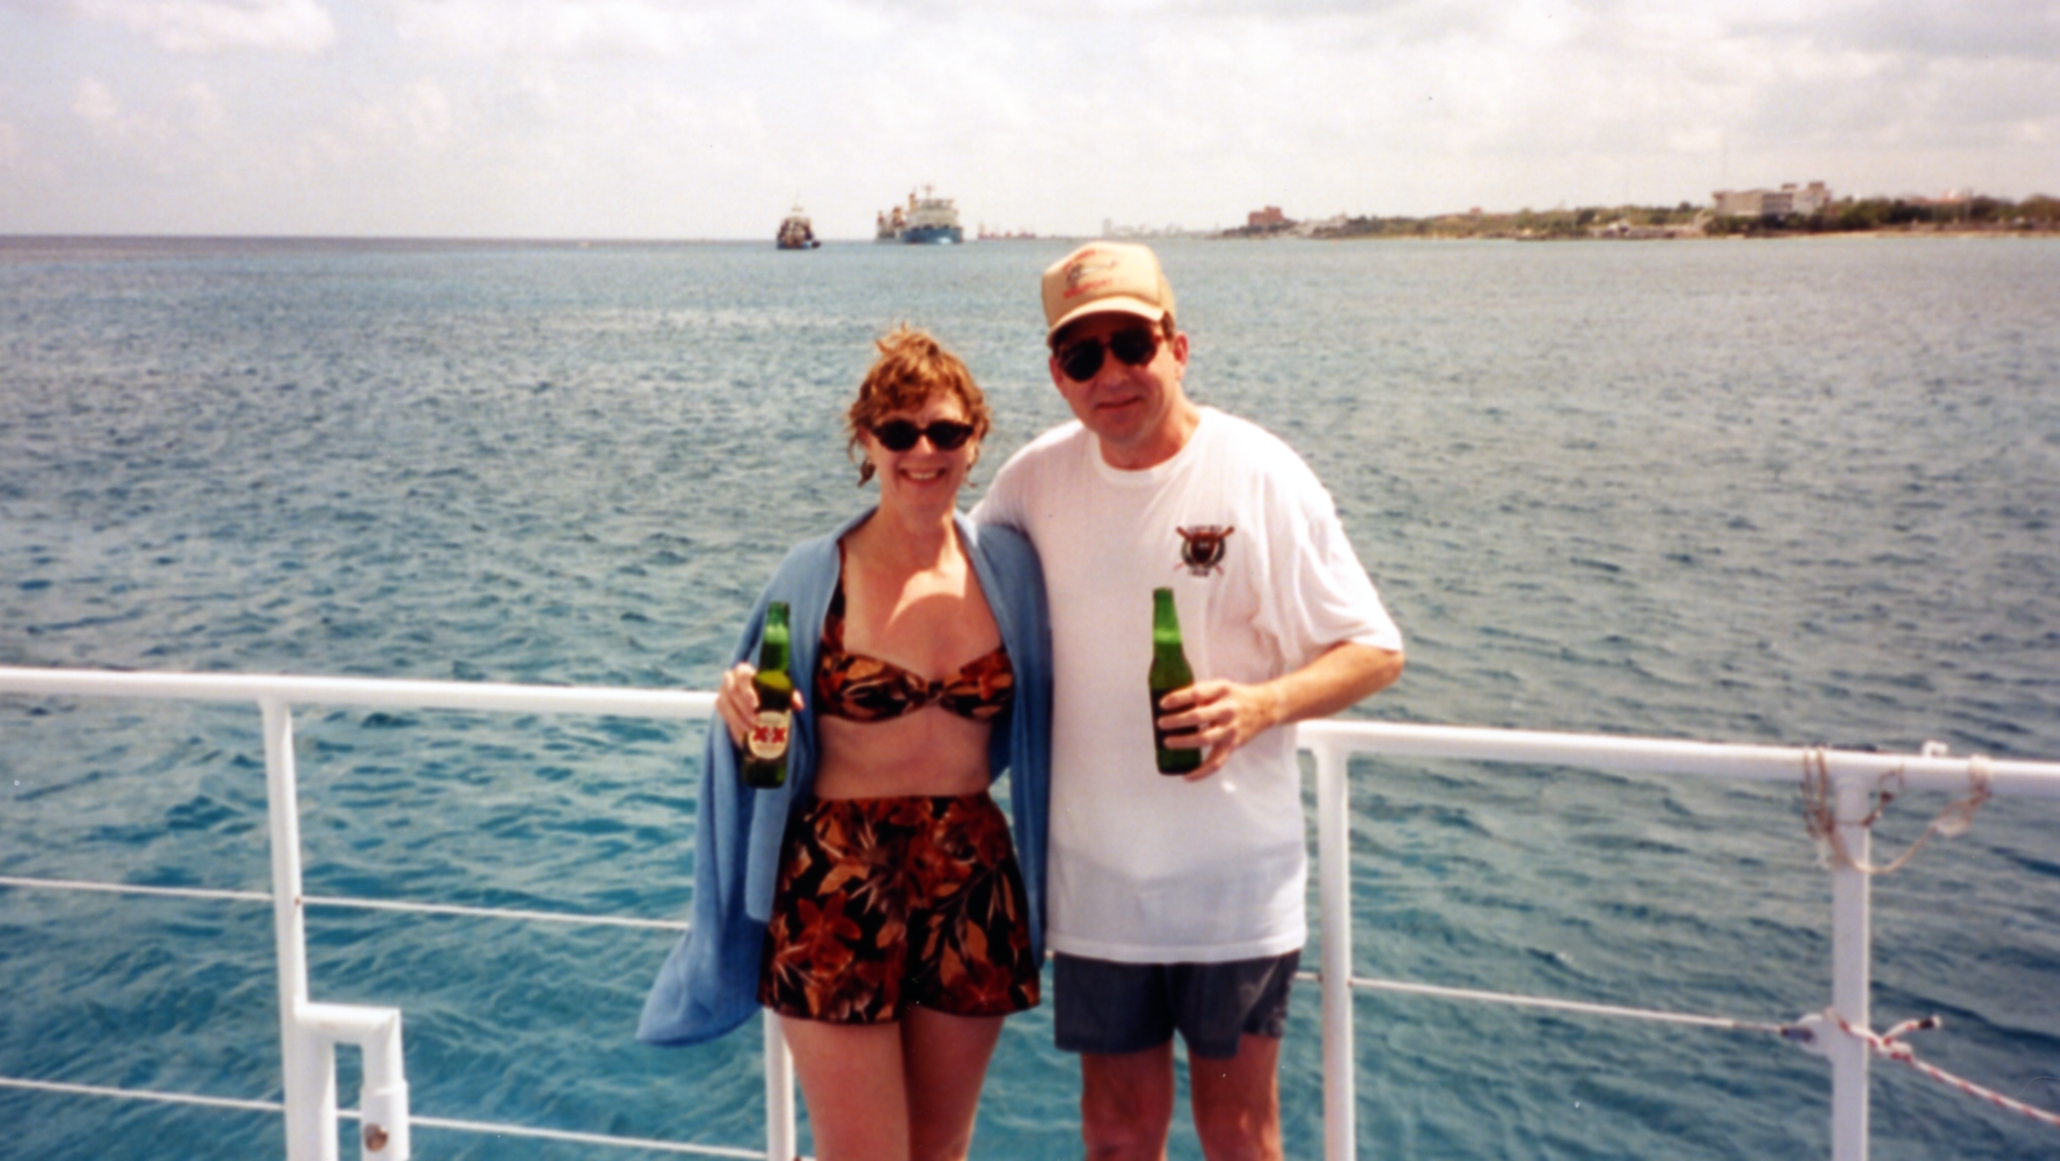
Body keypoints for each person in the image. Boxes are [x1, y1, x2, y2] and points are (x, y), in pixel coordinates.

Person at [971, 242, 1404, 1161]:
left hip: (1233, 891)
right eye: (1082, 355)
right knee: (1116, 1134)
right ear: (1057, 374)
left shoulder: (1260, 473)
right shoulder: (1031, 482)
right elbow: (938, 587)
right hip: (1095, 888)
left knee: (1238, 1133)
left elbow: (1374, 649)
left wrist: (1260, 706)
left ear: (1177, 346)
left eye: (1132, 344)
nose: (1111, 374)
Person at [638, 326, 1052, 1161]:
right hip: (835, 875)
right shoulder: (812, 574)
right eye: (899, 431)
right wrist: (736, 699)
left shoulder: (1010, 569)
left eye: (945, 430)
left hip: (970, 871)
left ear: (977, 438)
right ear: (867, 441)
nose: (923, 451)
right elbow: (761, 718)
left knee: (941, 1148)